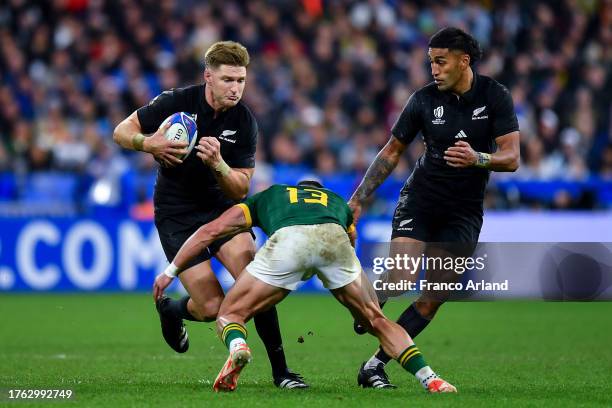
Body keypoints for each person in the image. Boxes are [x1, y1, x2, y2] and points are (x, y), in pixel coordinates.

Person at [112, 41, 306, 389]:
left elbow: (240, 190)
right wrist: (149, 144)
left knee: (253, 282)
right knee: (213, 306)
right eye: (228, 79)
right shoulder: (176, 103)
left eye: (241, 80)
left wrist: (218, 164)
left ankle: (282, 373)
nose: (235, 88)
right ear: (208, 77)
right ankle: (173, 311)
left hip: (221, 208)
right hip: (176, 213)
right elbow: (121, 131)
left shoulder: (244, 121)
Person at [153, 180, 457, 393]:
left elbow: (211, 231)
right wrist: (356, 304)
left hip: (291, 241)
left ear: (296, 190)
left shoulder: (271, 195)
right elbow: (350, 239)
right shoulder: (337, 202)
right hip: (334, 238)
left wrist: (171, 271)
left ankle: (238, 347)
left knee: (230, 313)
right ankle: (430, 378)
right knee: (377, 319)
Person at [348, 27, 520, 388]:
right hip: (421, 200)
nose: (434, 69)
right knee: (400, 278)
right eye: (431, 63)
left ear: (463, 61)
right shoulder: (424, 100)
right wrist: (359, 197)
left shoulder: (494, 96)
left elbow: (512, 157)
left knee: (434, 297)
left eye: (441, 62)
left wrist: (478, 158)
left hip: (464, 210)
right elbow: (392, 152)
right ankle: (369, 302)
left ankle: (375, 366)